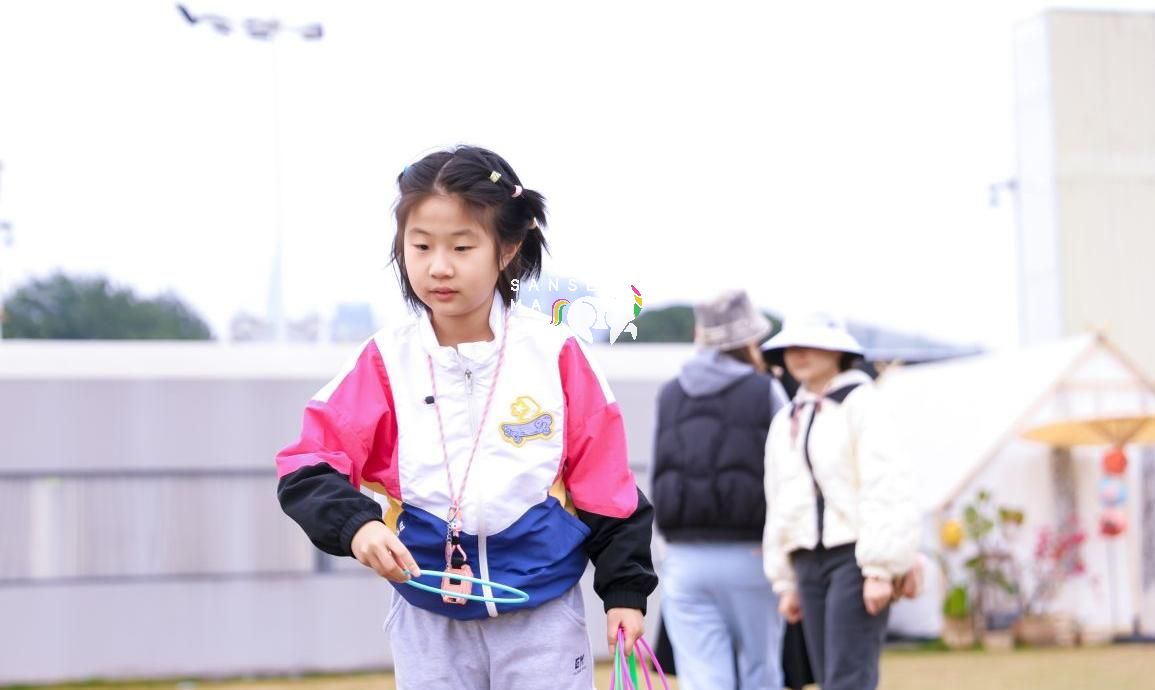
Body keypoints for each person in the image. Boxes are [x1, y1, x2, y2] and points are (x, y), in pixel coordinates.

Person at [275, 145, 657, 689]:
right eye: (421, 245)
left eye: (461, 246)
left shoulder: (555, 355)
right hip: (426, 615)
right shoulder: (385, 361)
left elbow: (608, 490)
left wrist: (625, 592)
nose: (439, 266)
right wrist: (357, 525)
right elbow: (308, 465)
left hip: (543, 614)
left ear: (508, 248)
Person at [761, 313, 919, 690]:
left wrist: (880, 569)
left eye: (811, 344)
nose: (798, 354)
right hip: (806, 559)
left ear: (838, 351)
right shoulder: (787, 418)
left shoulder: (863, 404)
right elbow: (779, 497)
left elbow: (886, 485)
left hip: (855, 557)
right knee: (828, 677)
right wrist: (785, 580)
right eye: (791, 346)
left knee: (848, 678)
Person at [652, 289, 788, 690]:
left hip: (683, 558)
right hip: (752, 555)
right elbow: (788, 473)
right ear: (750, 338)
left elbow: (659, 471)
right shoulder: (764, 390)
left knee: (703, 677)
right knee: (760, 671)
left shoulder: (670, 393)